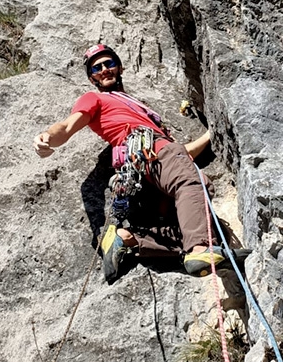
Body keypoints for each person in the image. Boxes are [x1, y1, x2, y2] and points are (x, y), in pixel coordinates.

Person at [33, 43, 226, 284]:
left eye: (109, 63)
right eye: (97, 68)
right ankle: (200, 249)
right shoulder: (94, 98)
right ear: (92, 78)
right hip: (149, 153)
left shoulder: (137, 108)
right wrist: (47, 138)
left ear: (119, 67)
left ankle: (128, 238)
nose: (104, 69)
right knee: (193, 184)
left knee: (200, 218)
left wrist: (211, 135)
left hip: (152, 162)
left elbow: (181, 155)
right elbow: (68, 125)